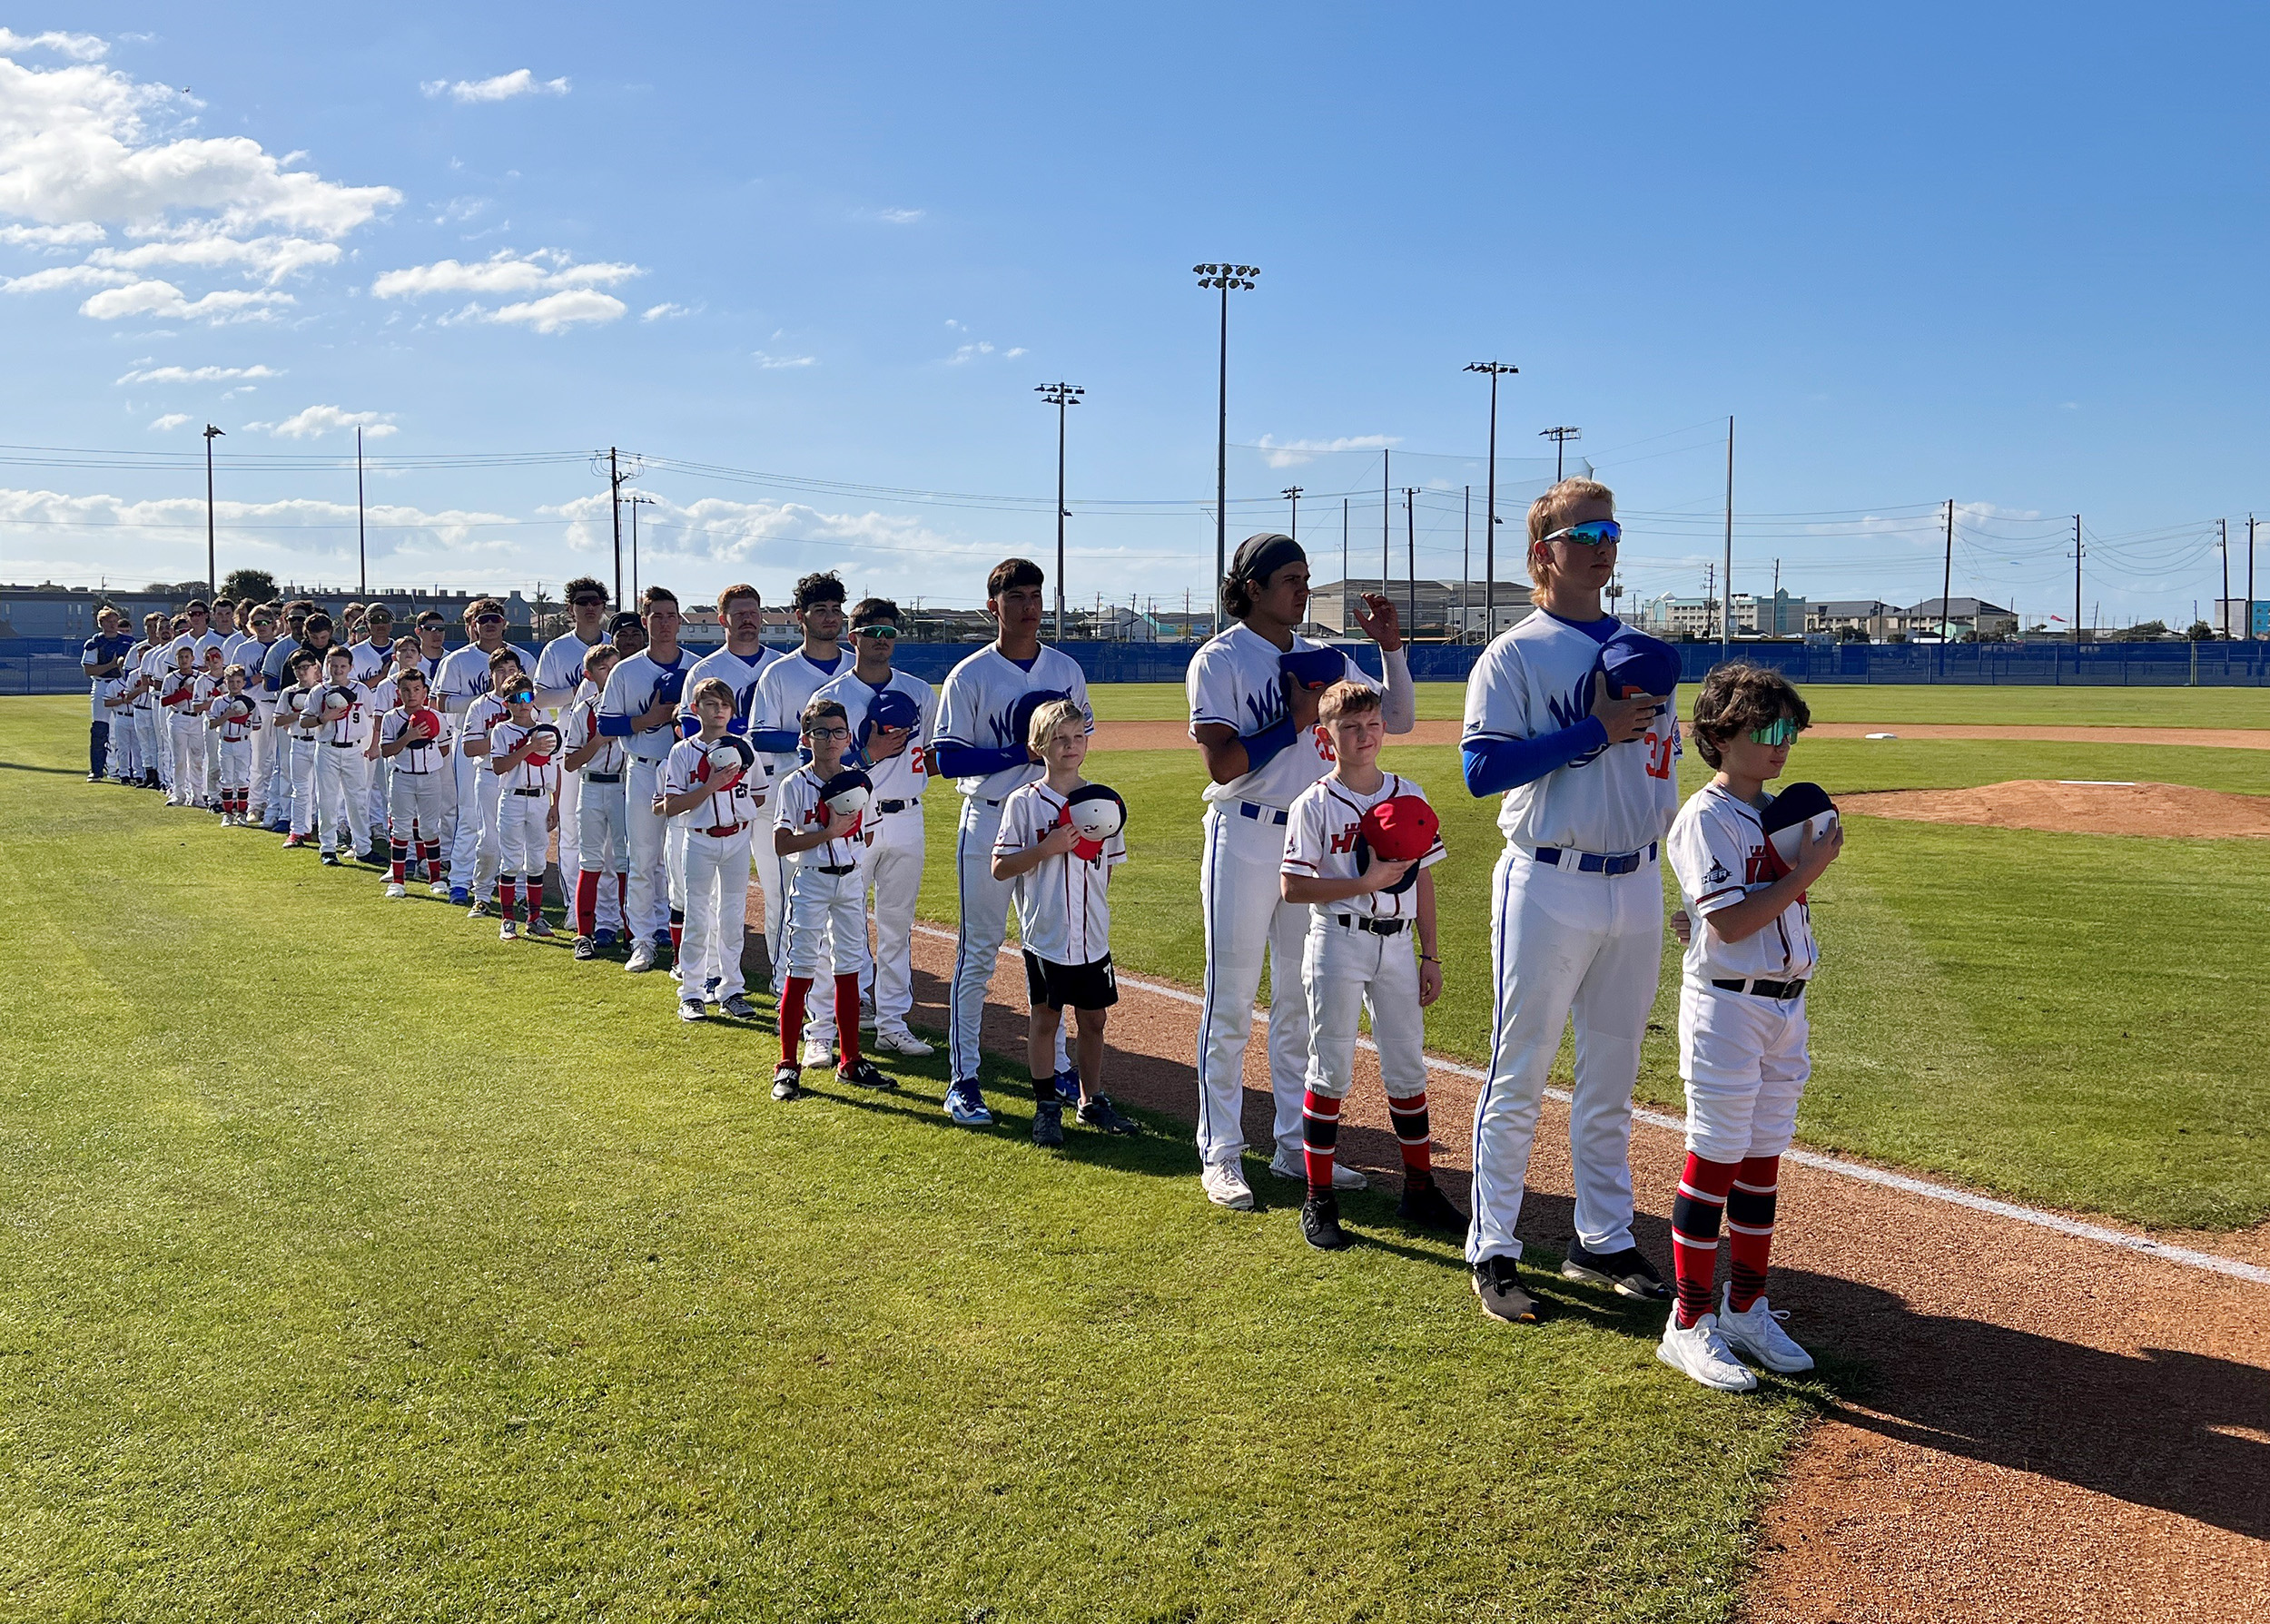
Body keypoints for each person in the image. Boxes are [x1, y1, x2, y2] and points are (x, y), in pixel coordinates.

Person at [1460, 477, 1682, 1325]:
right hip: (1547, 880)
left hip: (1634, 878)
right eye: (1583, 533)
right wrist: (1593, 729)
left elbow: (1661, 770)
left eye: (1611, 531)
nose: (1601, 545)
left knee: (1612, 1076)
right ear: (1541, 555)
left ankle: (1602, 1235)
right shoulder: (1515, 654)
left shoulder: (1644, 652)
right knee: (1519, 1073)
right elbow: (1482, 773)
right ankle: (1494, 1246)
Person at [1184, 531, 1415, 1212]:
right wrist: (1290, 717)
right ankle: (1220, 1150)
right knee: (1230, 1002)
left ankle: (1293, 1144)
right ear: (1251, 587)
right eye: (1290, 577)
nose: (1303, 588)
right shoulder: (1218, 658)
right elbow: (1224, 764)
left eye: (1307, 576)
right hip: (1246, 834)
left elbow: (1396, 716)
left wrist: (1390, 649)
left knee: (1298, 1002)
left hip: (1314, 840)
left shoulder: (1329, 657)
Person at [1655, 664, 1840, 1393]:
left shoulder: (1776, 813)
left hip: (1784, 1006)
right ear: (1720, 733)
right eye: (1766, 730)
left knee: (1762, 1159)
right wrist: (1807, 873)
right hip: (1728, 1009)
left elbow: (1741, 915)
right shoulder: (1704, 816)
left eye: (1788, 731)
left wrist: (1793, 881)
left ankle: (1746, 1307)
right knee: (1717, 1158)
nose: (1781, 744)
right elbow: (1730, 922)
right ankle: (1688, 1323)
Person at [1279, 681, 1462, 1249]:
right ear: (1325, 737)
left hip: (1398, 944)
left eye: (1373, 724)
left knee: (1408, 1068)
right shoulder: (1314, 802)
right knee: (1330, 1066)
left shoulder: (1408, 791)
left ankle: (1420, 1187)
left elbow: (1423, 878)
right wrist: (1362, 882)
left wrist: (1430, 952)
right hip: (1337, 940)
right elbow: (1292, 886)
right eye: (1350, 727)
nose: (1364, 735)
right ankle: (1319, 1200)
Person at [931, 559, 1093, 1127]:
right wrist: (1016, 755)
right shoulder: (971, 674)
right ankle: (964, 1078)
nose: (1030, 606)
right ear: (993, 605)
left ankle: (1059, 1067)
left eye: (1036, 595)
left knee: (1050, 951)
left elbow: (1079, 742)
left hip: (1050, 821)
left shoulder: (1066, 668)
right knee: (978, 951)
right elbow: (946, 757)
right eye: (1017, 596)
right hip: (990, 817)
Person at [989, 699, 1139, 1147]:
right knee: (1046, 1018)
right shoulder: (1025, 803)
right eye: (1059, 738)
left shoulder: (1105, 803)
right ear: (1039, 746)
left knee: (1094, 1021)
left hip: (1092, 936)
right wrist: (1047, 848)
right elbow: (1000, 867)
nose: (1070, 746)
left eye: (1077, 737)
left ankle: (1092, 1100)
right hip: (1047, 933)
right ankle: (1046, 1106)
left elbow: (1108, 866)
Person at [813, 595, 934, 1058]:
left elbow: (929, 755)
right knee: (838, 922)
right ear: (854, 637)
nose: (883, 642)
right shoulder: (832, 697)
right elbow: (817, 763)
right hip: (853, 815)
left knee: (897, 927)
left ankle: (892, 1024)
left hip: (907, 815)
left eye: (890, 634)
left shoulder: (920, 690)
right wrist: (868, 755)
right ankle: (822, 1030)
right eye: (874, 634)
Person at [750, 573, 850, 1057]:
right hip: (794, 792)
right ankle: (805, 1015)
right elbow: (761, 735)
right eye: (820, 610)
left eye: (835, 609)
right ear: (800, 617)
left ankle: (841, 1017)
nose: (829, 618)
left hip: (850, 800)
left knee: (847, 909)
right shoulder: (780, 673)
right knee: (792, 907)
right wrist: (811, 737)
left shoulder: (855, 669)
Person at [768, 698, 888, 1099]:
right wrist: (828, 833)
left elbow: (868, 832)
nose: (831, 739)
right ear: (806, 738)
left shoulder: (858, 780)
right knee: (801, 966)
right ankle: (787, 1065)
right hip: (813, 881)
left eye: (838, 731)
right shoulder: (794, 783)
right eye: (821, 732)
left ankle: (850, 1061)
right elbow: (782, 844)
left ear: (848, 737)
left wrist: (843, 835)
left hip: (850, 880)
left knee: (850, 968)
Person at [597, 586, 695, 973]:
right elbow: (605, 723)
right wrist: (647, 720)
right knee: (642, 859)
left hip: (686, 770)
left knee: (684, 860)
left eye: (672, 615)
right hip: (642, 766)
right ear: (645, 621)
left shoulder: (697, 667)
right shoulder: (626, 669)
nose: (666, 623)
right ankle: (642, 940)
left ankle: (685, 945)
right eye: (658, 616)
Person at [658, 678, 766, 1019]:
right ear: (695, 709)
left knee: (733, 918)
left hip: (737, 838)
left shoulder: (744, 748)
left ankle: (731, 989)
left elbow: (759, 793)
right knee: (697, 915)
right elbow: (671, 805)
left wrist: (737, 804)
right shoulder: (682, 751)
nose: (718, 711)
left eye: (723, 705)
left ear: (732, 711)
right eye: (709, 704)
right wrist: (710, 787)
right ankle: (691, 991)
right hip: (700, 838)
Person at [431, 599, 533, 902]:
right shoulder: (459, 660)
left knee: (518, 819)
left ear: (504, 623)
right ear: (473, 624)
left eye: (495, 618)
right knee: (470, 816)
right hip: (474, 745)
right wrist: (486, 699)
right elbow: (441, 702)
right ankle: (461, 880)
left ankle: (514, 886)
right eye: (483, 619)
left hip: (517, 748)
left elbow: (534, 699)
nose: (489, 624)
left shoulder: (523, 657)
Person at [561, 645, 629, 957]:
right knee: (590, 861)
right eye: (604, 668)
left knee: (625, 861)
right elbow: (571, 761)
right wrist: (599, 740)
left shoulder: (631, 706)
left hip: (623, 788)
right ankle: (584, 933)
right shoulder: (584, 709)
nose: (611, 672)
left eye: (616, 666)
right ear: (589, 675)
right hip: (592, 786)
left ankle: (631, 932)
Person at [456, 648, 530, 915]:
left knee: (518, 840)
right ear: (491, 675)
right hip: (488, 776)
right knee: (489, 840)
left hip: (520, 777)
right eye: (500, 670)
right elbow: (469, 747)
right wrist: (503, 737)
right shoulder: (481, 705)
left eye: (511, 670)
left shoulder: (527, 702)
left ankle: (521, 895)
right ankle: (483, 893)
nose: (506, 675)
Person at [486, 680, 561, 940]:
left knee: (538, 859)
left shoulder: (547, 730)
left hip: (540, 798)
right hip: (513, 798)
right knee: (512, 860)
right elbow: (498, 766)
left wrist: (556, 804)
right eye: (515, 699)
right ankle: (508, 920)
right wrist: (528, 747)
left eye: (526, 696)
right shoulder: (502, 730)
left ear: (533, 699)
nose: (521, 703)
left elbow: (557, 768)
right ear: (506, 703)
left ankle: (534, 918)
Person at [377, 665, 452, 900]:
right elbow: (386, 750)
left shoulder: (436, 716)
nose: (412, 694)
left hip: (430, 777)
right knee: (401, 828)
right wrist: (408, 737)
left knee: (430, 827)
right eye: (406, 689)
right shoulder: (391, 717)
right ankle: (398, 881)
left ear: (425, 691)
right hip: (402, 776)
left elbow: (445, 747)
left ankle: (435, 878)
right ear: (399, 692)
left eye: (417, 689)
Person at [308, 645, 376, 866]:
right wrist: (322, 717)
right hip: (327, 748)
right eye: (334, 665)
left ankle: (363, 847)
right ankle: (328, 848)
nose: (338, 670)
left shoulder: (361, 690)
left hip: (354, 749)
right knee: (327, 799)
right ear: (327, 666)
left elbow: (374, 717)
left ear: (351, 667)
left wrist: (373, 745)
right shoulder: (318, 691)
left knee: (357, 800)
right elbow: (303, 721)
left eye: (342, 666)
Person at [275, 650, 326, 847]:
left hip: (319, 742)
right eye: (298, 668)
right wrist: (299, 715)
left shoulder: (323, 690)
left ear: (315, 668)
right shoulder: (289, 693)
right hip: (298, 742)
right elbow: (278, 720)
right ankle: (298, 831)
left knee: (325, 790)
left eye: (306, 667)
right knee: (300, 789)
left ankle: (326, 830)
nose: (302, 672)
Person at [237, 605, 281, 825]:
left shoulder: (284, 646)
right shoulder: (245, 649)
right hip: (257, 703)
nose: (262, 627)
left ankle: (278, 805)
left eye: (266, 622)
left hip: (284, 705)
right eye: (256, 623)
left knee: (281, 760)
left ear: (274, 623)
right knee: (258, 758)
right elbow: (236, 682)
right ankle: (255, 804)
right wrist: (260, 676)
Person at [81, 606, 133, 782]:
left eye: (114, 621)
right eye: (108, 621)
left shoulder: (128, 642)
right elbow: (89, 669)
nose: (112, 625)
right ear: (100, 623)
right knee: (100, 728)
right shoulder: (94, 643)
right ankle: (97, 769)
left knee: (125, 727)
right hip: (102, 683)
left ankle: (128, 769)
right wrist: (111, 665)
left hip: (122, 684)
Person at [204, 664, 258, 825]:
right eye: (231, 681)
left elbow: (257, 724)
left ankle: (241, 813)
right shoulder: (219, 702)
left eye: (238, 681)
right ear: (225, 682)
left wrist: (242, 718)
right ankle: (227, 813)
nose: (235, 685)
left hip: (243, 742)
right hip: (226, 742)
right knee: (227, 779)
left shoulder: (250, 702)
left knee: (242, 778)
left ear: (243, 683)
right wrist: (228, 715)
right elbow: (212, 724)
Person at [159, 643, 202, 806]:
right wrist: (184, 692)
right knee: (179, 759)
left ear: (192, 659)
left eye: (187, 657)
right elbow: (165, 701)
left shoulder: (200, 676)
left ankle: (197, 795)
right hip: (179, 717)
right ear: (176, 660)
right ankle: (178, 793)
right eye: (181, 658)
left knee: (197, 758)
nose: (184, 661)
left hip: (197, 718)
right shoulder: (171, 678)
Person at [192, 645, 229, 809]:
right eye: (209, 658)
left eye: (217, 657)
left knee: (233, 761)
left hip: (233, 723)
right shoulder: (202, 680)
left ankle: (233, 797)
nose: (214, 661)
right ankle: (214, 798)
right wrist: (216, 700)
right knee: (214, 761)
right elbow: (197, 706)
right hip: (213, 722)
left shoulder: (232, 676)